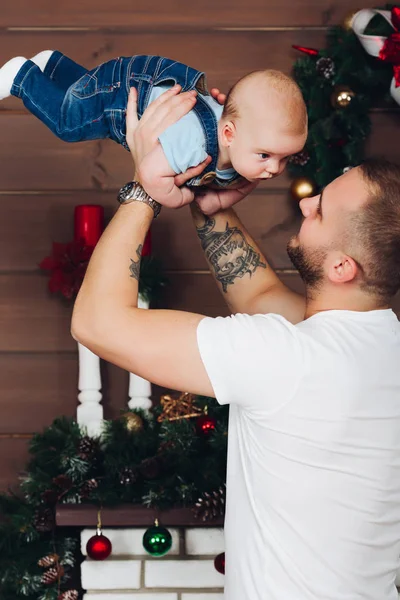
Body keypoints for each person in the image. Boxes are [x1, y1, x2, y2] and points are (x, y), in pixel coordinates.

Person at [71, 86, 400, 600]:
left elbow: (96, 322)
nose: (306, 200)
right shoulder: (379, 344)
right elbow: (262, 294)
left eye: (320, 212)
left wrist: (144, 190)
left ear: (343, 267)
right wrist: (210, 201)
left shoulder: (288, 359)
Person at [0, 50, 306, 212]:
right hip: (127, 92)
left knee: (83, 98)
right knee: (70, 123)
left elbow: (239, 186)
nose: (273, 170)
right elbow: (150, 174)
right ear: (228, 134)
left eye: (286, 159)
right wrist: (176, 198)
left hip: (145, 91)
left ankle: (51, 66)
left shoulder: (248, 159)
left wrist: (219, 201)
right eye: (266, 156)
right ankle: (22, 76)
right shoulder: (195, 144)